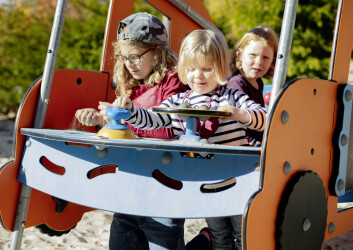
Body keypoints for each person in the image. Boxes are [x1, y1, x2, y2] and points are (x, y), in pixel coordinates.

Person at [111, 29, 268, 250]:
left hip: (237, 181)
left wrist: (240, 114)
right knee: (220, 236)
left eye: (206, 69)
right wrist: (131, 111)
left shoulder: (230, 96)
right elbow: (153, 119)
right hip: (206, 183)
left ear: (221, 67)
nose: (199, 76)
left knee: (243, 235)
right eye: (192, 69)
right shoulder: (179, 101)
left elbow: (264, 117)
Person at [75, 12, 187, 250]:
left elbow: (169, 129)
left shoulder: (174, 82)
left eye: (135, 56)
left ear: (157, 52)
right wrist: (101, 121)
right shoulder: (132, 85)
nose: (128, 63)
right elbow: (125, 133)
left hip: (163, 191)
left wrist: (128, 118)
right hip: (130, 187)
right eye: (123, 57)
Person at [227, 25, 278, 146]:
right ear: (240, 54)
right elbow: (239, 127)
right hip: (243, 144)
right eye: (253, 55)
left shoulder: (258, 82)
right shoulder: (236, 84)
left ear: (273, 60)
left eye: (265, 57)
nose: (259, 62)